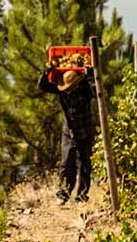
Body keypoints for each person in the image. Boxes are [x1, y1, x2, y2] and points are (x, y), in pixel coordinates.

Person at [38, 57, 96, 204]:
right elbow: (43, 86)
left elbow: (96, 92)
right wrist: (48, 71)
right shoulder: (61, 91)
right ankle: (63, 195)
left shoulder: (85, 87)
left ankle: (81, 197)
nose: (68, 89)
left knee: (85, 164)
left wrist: (90, 76)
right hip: (69, 131)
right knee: (66, 163)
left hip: (85, 130)